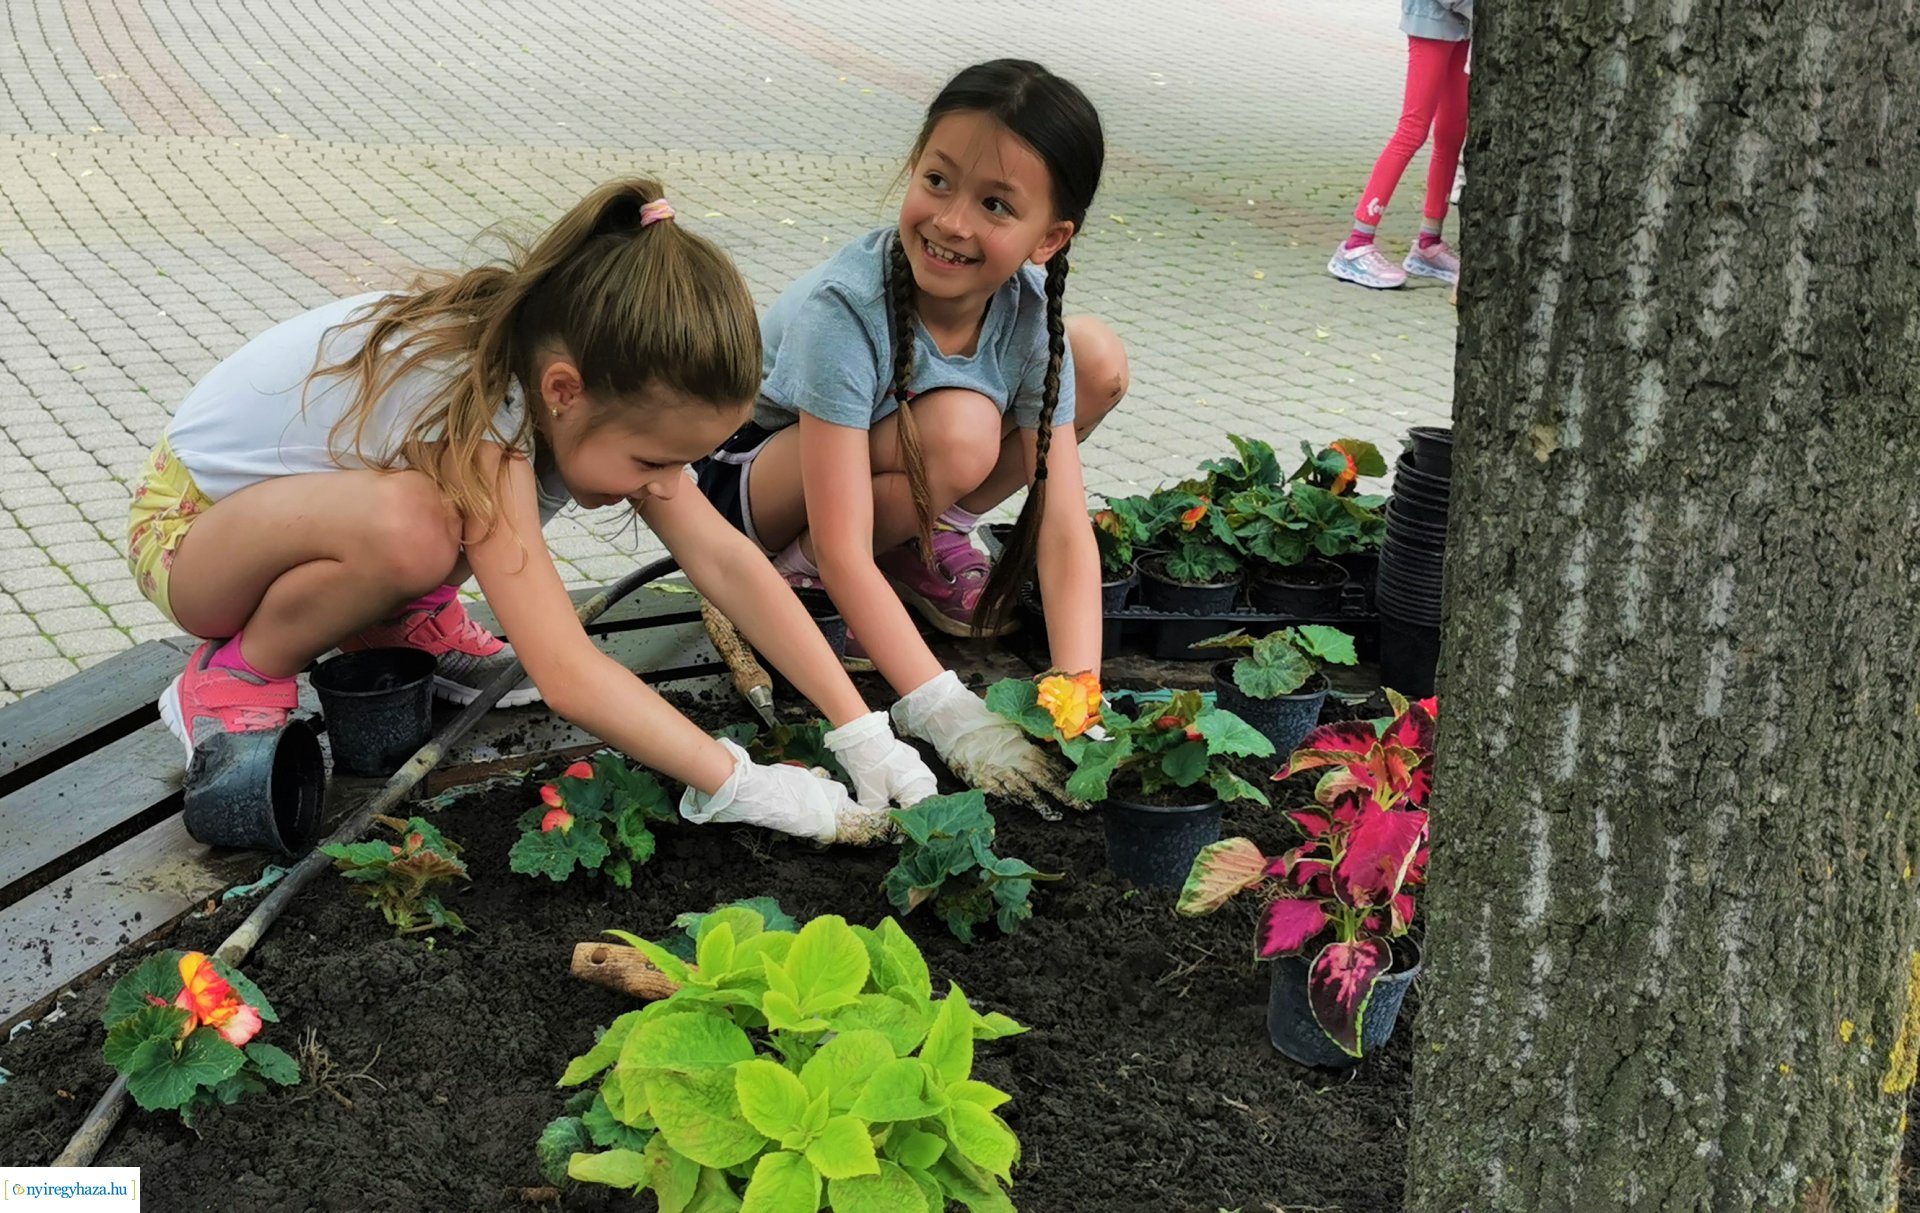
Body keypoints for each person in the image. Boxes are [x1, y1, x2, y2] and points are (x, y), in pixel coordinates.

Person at [124, 178, 938, 844]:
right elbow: (566, 670)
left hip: (288, 523)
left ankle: (395, 622)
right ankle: (236, 673)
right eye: (655, 461)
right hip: (193, 538)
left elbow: (727, 561)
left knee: (430, 520)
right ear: (563, 391)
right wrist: (740, 783)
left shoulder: (580, 383)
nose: (667, 481)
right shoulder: (494, 420)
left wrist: (858, 728)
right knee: (416, 525)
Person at [693, 59, 1130, 806]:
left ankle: (923, 538)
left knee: (1091, 358)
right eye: (937, 181)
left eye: (996, 204)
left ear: (1049, 238)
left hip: (874, 465)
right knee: (963, 434)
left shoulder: (1028, 316)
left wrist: (1078, 688)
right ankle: (792, 576)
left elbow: (1061, 527)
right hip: (745, 484)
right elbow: (842, 540)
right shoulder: (846, 308)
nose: (952, 221)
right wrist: (945, 710)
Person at [1328, 0, 1472, 290]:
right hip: (1433, 19)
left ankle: (1429, 243)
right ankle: (1356, 245)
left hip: (1462, 24)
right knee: (1412, 131)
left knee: (1451, 134)